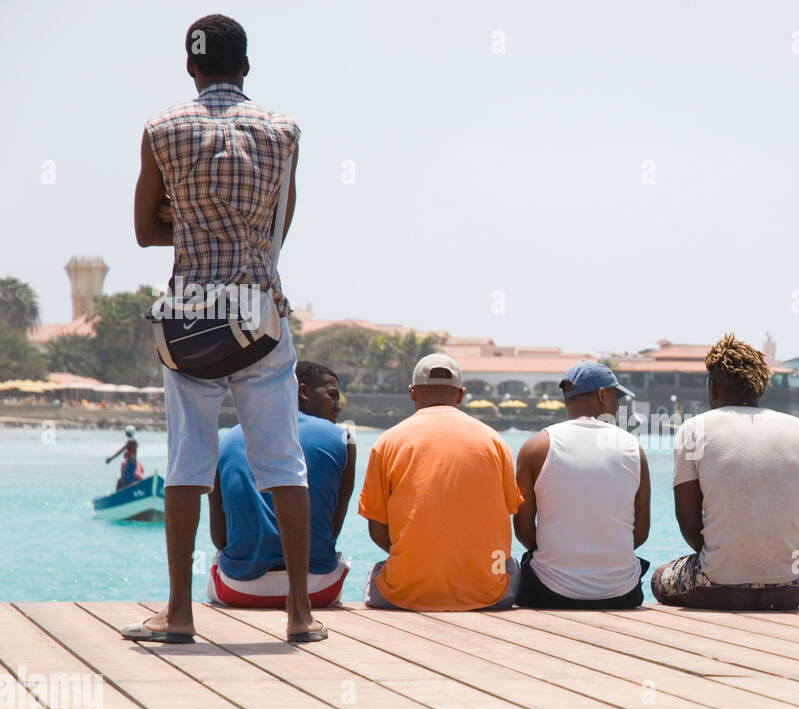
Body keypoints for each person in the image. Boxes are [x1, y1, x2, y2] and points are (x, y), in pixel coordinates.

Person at [122, 14, 324, 644]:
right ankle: (298, 613)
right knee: (282, 462)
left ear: (191, 65)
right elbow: (277, 232)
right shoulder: (284, 133)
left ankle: (179, 613)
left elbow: (144, 231)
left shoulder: (162, 130)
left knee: (187, 460)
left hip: (188, 319)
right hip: (259, 315)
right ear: (246, 65)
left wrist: (183, 222)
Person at [652, 334, 799, 610]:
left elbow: (688, 523)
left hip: (715, 588)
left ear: (714, 386)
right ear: (759, 386)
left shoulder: (693, 429)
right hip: (789, 589)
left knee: (659, 577)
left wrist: (726, 560)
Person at [358, 354, 523, 611]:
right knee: (509, 565)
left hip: (405, 593)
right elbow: (508, 513)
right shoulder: (495, 442)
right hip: (489, 594)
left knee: (378, 570)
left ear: (413, 393)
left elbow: (377, 530)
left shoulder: (387, 442)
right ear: (460, 395)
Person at [206, 361, 356, 608]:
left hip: (238, 590)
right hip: (317, 590)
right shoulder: (344, 439)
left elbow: (219, 539)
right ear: (303, 392)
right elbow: (330, 534)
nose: (338, 406)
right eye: (332, 395)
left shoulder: (228, 438)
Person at [514, 361, 651, 609]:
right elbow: (640, 533)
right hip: (622, 594)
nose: (618, 404)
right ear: (602, 395)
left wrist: (558, 554)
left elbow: (523, 530)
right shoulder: (633, 448)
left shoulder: (535, 447)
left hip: (548, 592)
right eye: (616, 396)